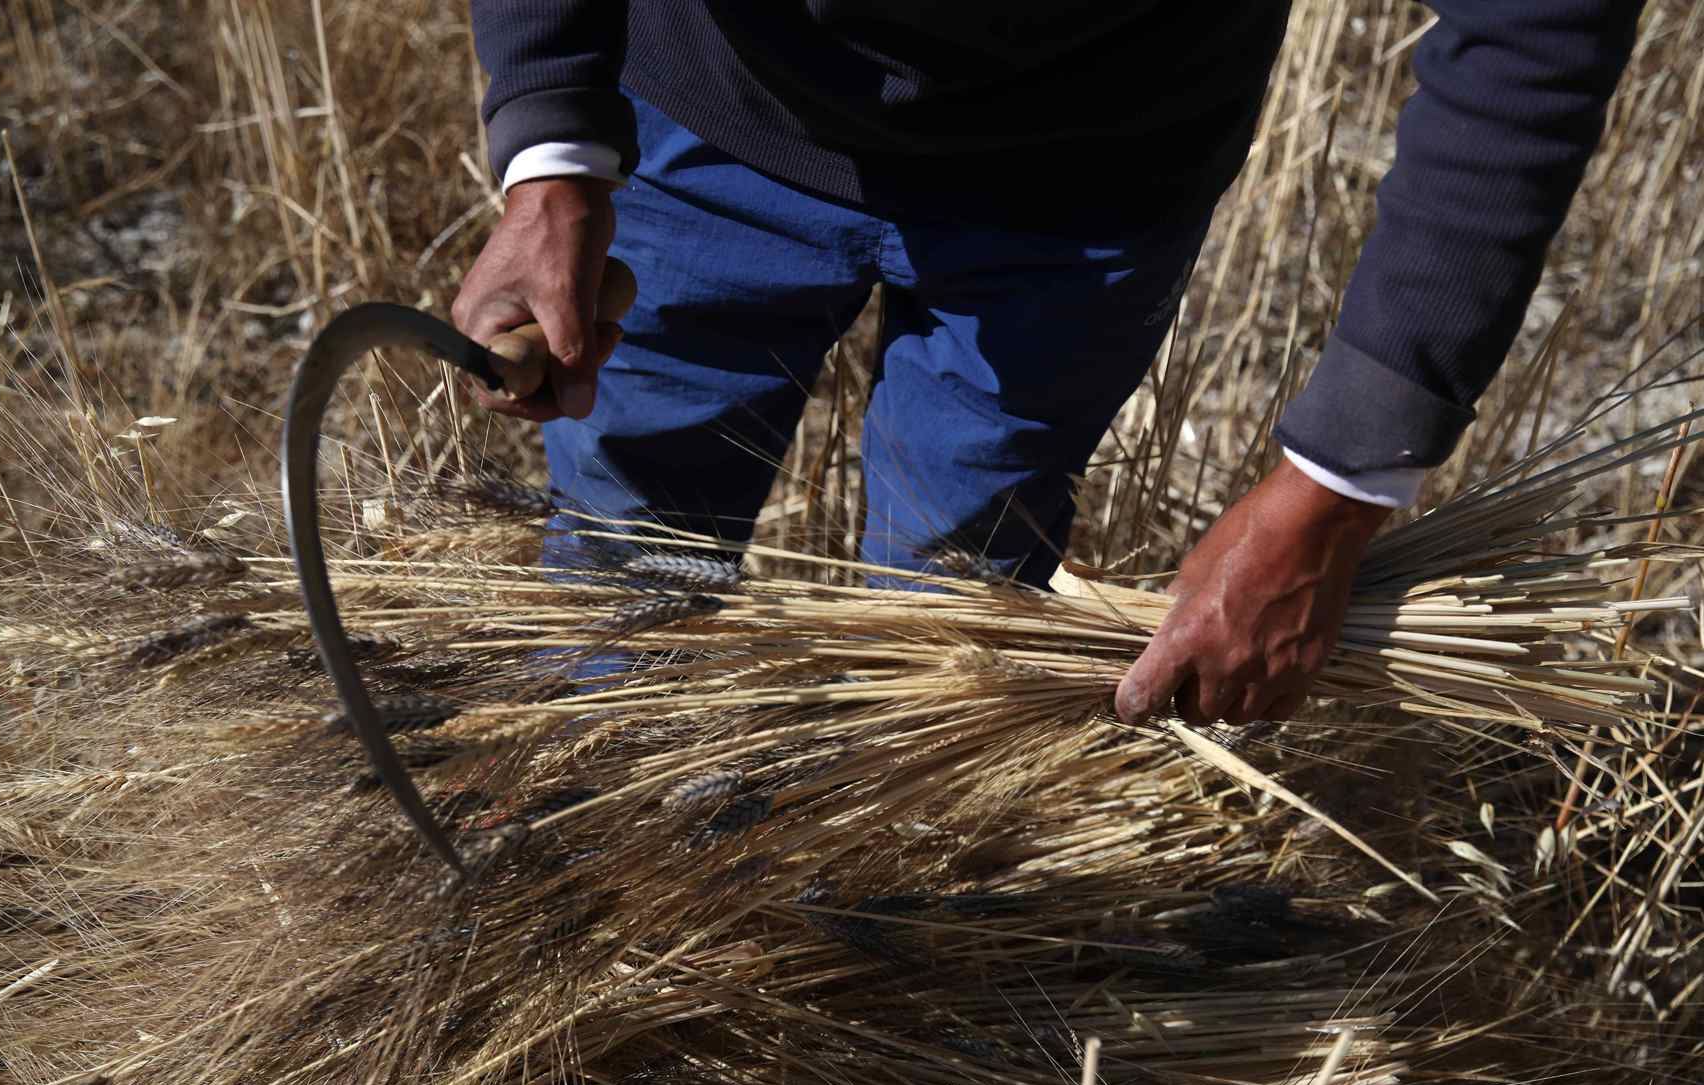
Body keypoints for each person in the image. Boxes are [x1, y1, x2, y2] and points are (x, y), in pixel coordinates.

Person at [452, 2, 1645, 727]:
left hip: (1087, 185)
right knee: (619, 580)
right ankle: (576, 939)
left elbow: (1535, 28)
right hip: (711, 113)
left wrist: (1341, 484)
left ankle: (869, 974)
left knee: (949, 650)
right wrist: (551, 141)